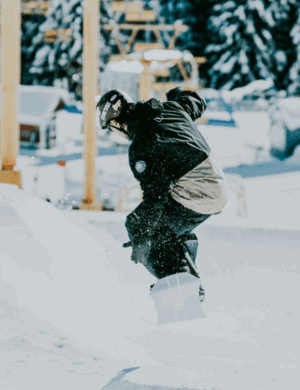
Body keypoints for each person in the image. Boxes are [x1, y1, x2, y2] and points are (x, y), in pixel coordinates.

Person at [98, 88, 228, 302]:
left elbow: (156, 196)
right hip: (219, 187)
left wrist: (141, 236)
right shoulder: (172, 108)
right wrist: (176, 95)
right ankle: (185, 279)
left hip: (198, 192)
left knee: (143, 229)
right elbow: (196, 101)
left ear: (116, 123)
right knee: (167, 230)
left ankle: (184, 290)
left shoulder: (141, 143)